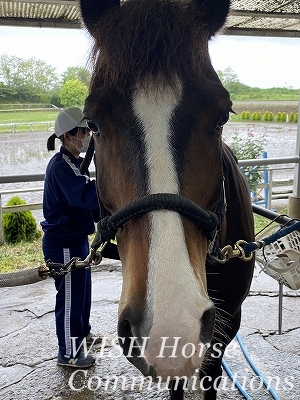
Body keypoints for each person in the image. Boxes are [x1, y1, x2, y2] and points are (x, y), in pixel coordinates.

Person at [41, 107, 100, 368]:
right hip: (62, 242)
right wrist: (112, 181)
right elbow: (84, 196)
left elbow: (90, 202)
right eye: (83, 131)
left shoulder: (75, 162)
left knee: (81, 293)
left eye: (88, 130)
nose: (87, 135)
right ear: (67, 135)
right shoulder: (61, 167)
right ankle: (69, 353)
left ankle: (82, 333)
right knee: (69, 298)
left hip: (75, 238)